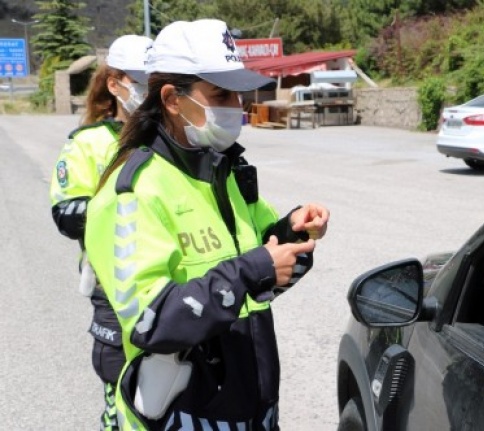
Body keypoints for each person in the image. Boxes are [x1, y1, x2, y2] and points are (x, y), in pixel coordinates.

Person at [84, 19, 329, 430]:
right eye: (220, 94)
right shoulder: (132, 193)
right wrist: (253, 270)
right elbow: (151, 321)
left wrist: (293, 231)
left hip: (252, 408)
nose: (237, 104)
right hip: (185, 417)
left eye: (237, 93)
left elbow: (263, 263)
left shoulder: (225, 171)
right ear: (172, 99)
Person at [49, 34, 153, 431]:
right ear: (115, 83)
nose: (151, 91)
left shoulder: (175, 142)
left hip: (179, 288)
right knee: (122, 401)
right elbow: (66, 214)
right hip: (116, 290)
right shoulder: (90, 144)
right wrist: (129, 203)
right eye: (142, 80)